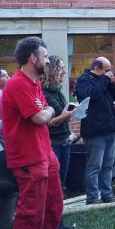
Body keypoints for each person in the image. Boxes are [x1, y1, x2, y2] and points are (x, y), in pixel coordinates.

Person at [2, 37, 71, 229]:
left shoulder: (34, 83)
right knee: (31, 213)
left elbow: (45, 114)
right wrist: (49, 110)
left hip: (45, 153)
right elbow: (41, 116)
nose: (48, 62)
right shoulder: (18, 84)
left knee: (54, 207)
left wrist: (48, 111)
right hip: (29, 158)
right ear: (33, 58)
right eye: (44, 57)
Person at [75, 57, 115, 205]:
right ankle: (93, 198)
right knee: (94, 166)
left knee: (108, 165)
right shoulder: (84, 80)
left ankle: (107, 194)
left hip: (109, 129)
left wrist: (110, 82)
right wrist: (104, 80)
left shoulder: (104, 81)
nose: (109, 73)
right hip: (94, 131)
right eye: (107, 70)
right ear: (98, 68)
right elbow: (91, 95)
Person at [42, 56, 73, 193]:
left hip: (64, 141)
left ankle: (58, 211)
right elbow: (42, 123)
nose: (64, 72)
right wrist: (63, 117)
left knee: (61, 182)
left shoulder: (57, 91)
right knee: (51, 184)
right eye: (61, 68)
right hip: (52, 143)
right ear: (52, 70)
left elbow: (62, 115)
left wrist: (67, 117)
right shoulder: (42, 93)